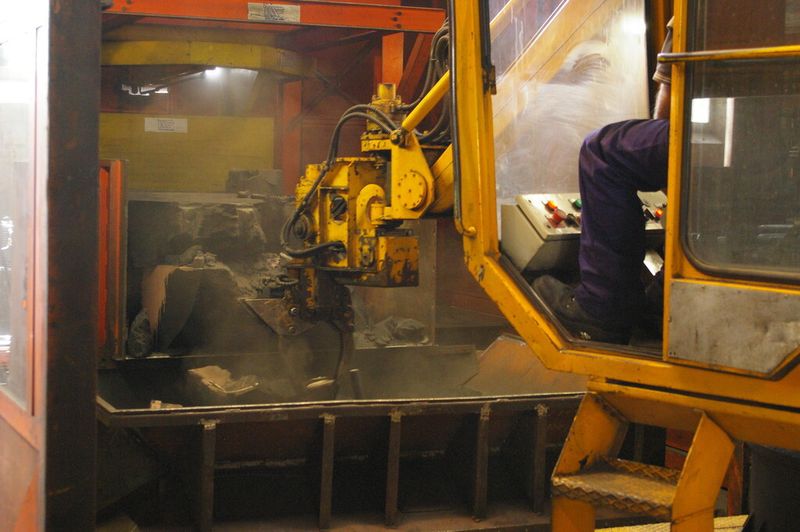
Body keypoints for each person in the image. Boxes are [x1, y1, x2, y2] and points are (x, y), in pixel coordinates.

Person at [533, 19, 673, 344]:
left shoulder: (697, 13)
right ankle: (664, 299)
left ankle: (604, 305)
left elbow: (670, 110)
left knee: (603, 151)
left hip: (721, 134)